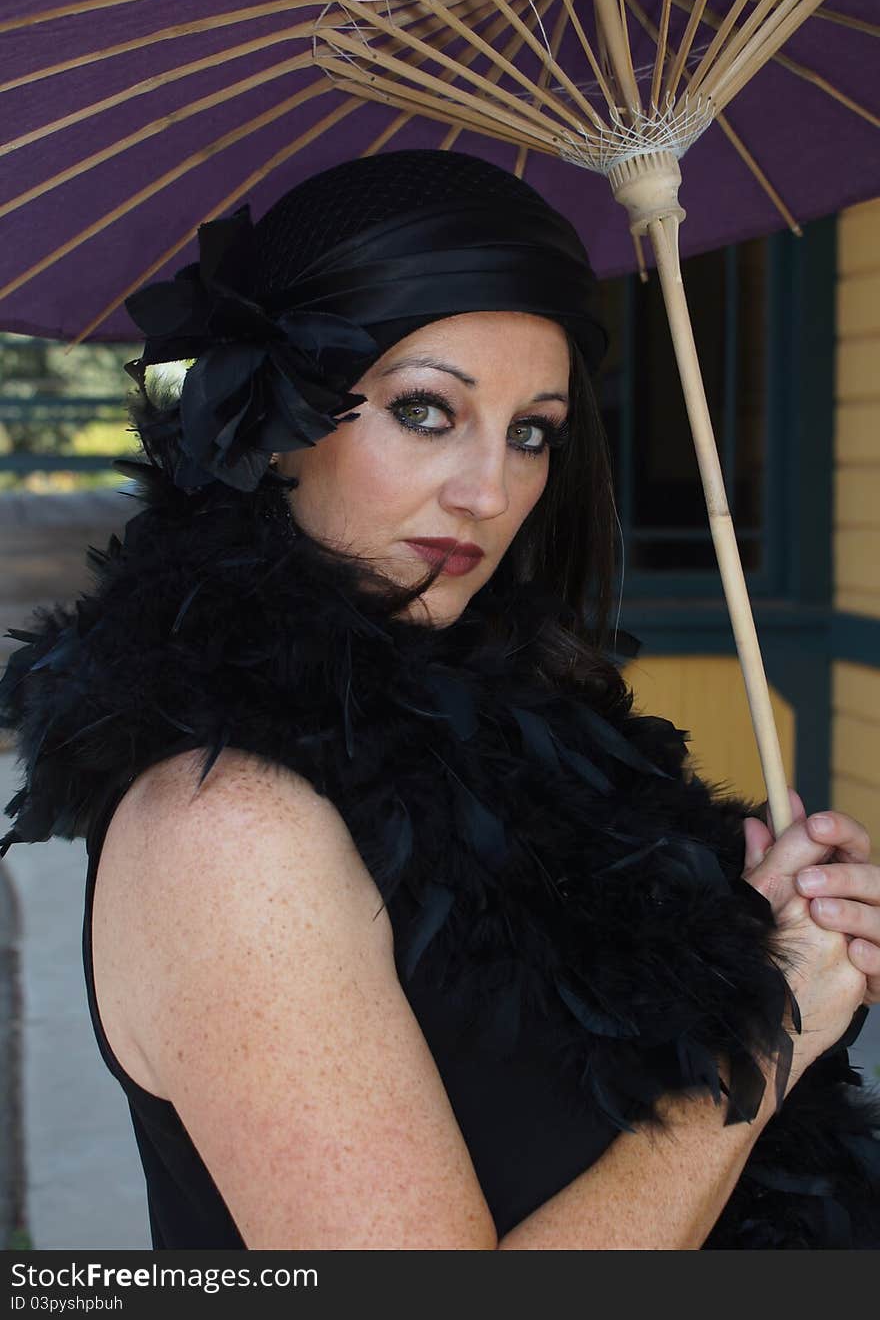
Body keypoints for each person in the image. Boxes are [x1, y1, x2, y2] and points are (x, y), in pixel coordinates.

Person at [1, 149, 879, 1250]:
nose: (489, 490)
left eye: (532, 432)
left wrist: (759, 938)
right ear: (277, 421)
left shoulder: (524, 744)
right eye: (426, 410)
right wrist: (765, 1041)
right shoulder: (228, 829)